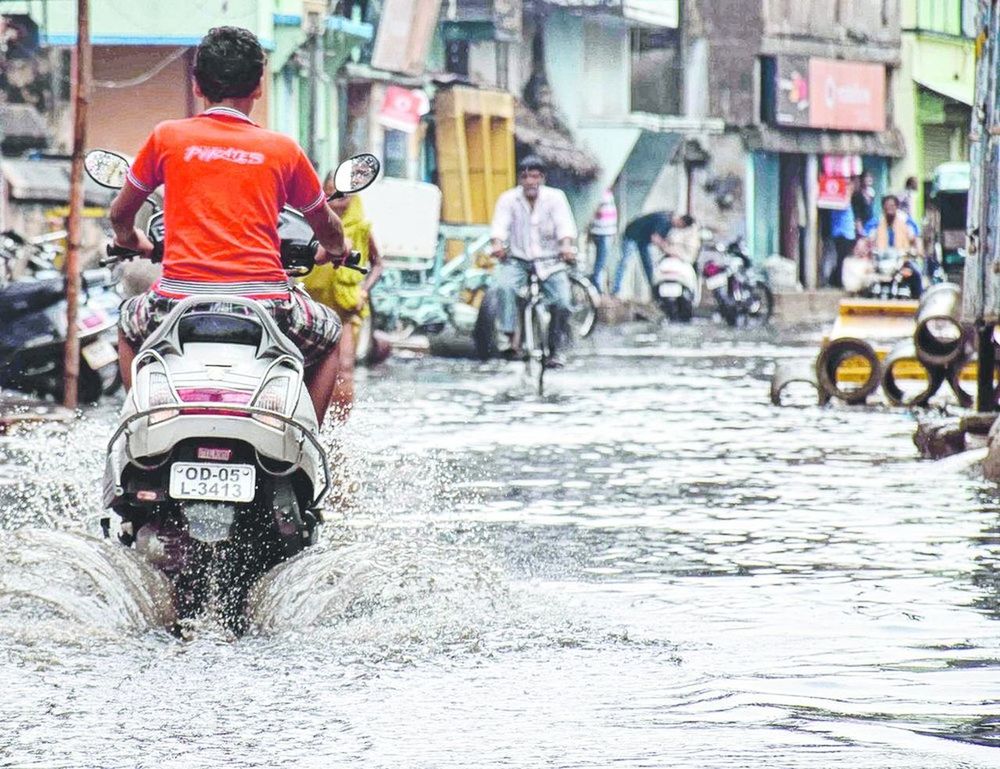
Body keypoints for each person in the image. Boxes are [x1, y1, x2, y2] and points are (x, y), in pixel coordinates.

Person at [108, 26, 349, 422]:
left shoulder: (166, 137)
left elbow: (121, 214)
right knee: (331, 333)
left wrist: (130, 239)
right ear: (258, 86)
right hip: (268, 308)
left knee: (125, 323)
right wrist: (337, 252)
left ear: (197, 84)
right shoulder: (283, 150)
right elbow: (328, 228)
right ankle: (309, 439)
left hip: (175, 305)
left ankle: (144, 421)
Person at [302, 171, 384, 420]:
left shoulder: (361, 228)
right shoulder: (309, 225)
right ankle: (312, 419)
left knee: (345, 369)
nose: (338, 203)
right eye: (331, 197)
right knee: (306, 367)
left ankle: (338, 427)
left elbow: (378, 264)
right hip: (312, 306)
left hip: (346, 308)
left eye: (344, 197)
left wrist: (363, 290)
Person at [490, 155, 577, 368]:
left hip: (550, 262)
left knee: (562, 302)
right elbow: (499, 226)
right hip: (518, 260)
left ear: (542, 178)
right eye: (525, 177)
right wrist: (497, 244)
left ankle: (556, 349)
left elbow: (564, 225)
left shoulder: (555, 198)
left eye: (535, 176)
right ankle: (510, 338)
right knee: (503, 286)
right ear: (520, 180)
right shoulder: (508, 199)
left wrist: (565, 246)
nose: (530, 181)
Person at [612, 211, 694, 296]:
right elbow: (655, 238)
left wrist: (669, 250)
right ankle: (615, 291)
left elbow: (662, 240)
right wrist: (668, 249)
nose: (678, 228)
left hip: (643, 240)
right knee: (625, 262)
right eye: (681, 227)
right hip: (632, 235)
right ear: (681, 221)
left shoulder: (669, 224)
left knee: (648, 265)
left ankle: (654, 292)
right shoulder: (664, 220)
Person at [588, 189, 618, 293]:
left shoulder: (607, 192)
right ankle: (596, 287)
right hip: (602, 231)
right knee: (601, 262)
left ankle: (598, 286)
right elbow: (593, 209)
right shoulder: (599, 191)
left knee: (602, 261)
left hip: (607, 231)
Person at [829, 182, 857, 288]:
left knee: (842, 258)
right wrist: (848, 193)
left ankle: (836, 279)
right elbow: (844, 205)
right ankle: (837, 281)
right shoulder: (840, 201)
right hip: (842, 233)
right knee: (842, 259)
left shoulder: (844, 201)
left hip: (847, 232)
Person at [851, 171, 876, 239]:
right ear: (862, 179)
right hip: (861, 224)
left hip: (870, 223)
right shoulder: (857, 194)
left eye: (871, 177)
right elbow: (856, 213)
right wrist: (860, 228)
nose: (869, 179)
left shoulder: (871, 192)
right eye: (867, 177)